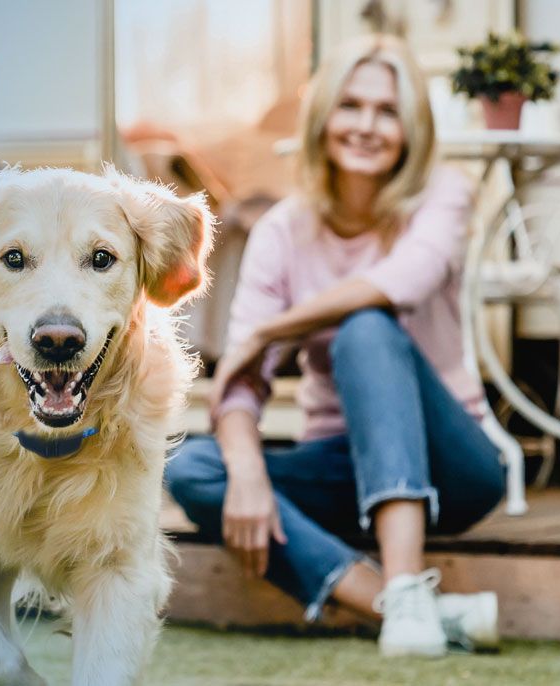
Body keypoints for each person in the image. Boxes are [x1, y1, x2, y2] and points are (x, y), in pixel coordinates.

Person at [163, 34, 506, 657]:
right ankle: (409, 610)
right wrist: (244, 470)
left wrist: (274, 329)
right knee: (193, 468)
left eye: (388, 111)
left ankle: (404, 583)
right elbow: (241, 383)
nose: (367, 126)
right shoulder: (281, 232)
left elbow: (399, 283)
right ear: (324, 118)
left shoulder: (445, 193)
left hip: (452, 468)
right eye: (351, 106)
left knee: (367, 328)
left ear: (412, 128)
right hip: (342, 466)